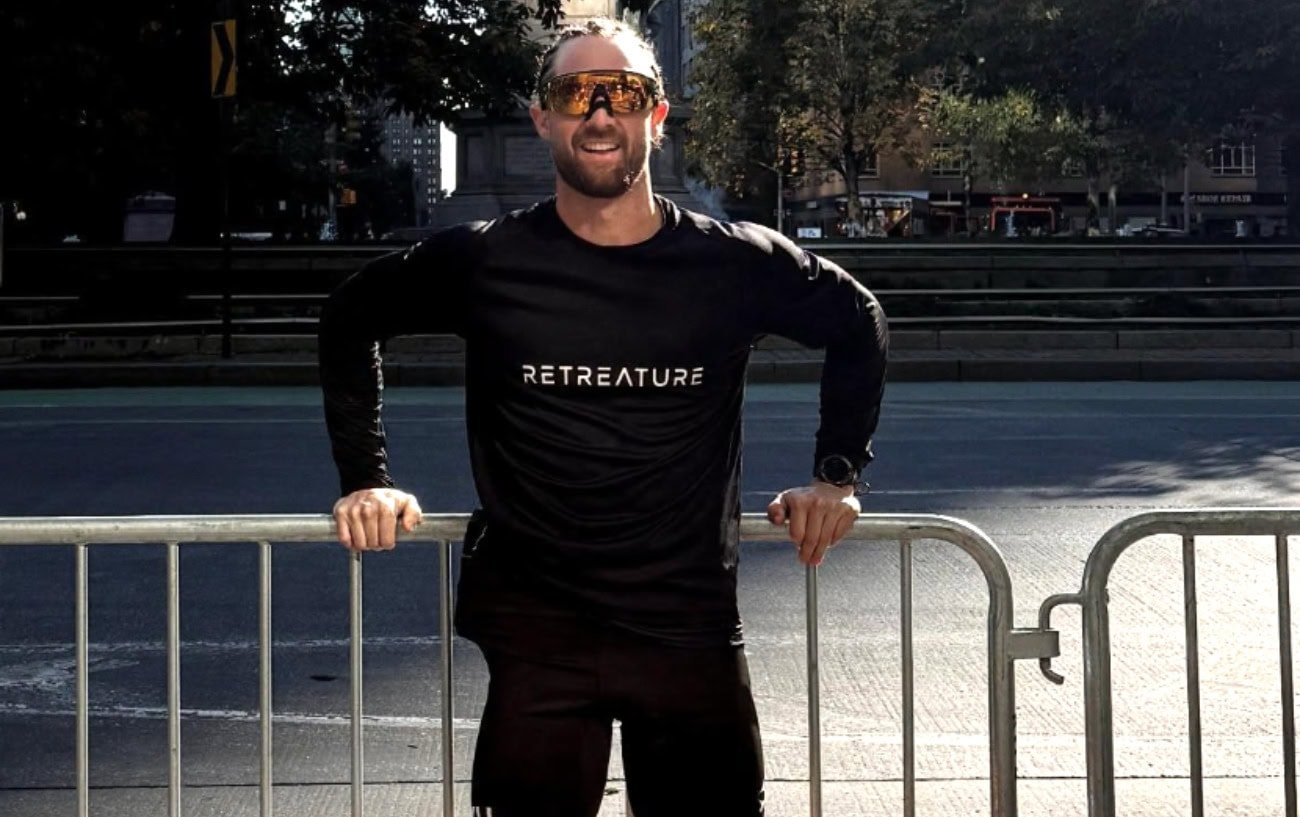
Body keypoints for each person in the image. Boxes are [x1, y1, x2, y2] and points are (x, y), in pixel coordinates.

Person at [318, 17, 888, 817]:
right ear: (542, 118)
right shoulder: (486, 261)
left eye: (622, 92)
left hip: (688, 631)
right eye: (574, 93)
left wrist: (837, 474)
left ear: (657, 115)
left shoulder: (731, 263)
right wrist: (366, 477)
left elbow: (859, 320)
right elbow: (350, 316)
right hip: (537, 640)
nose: (598, 112)